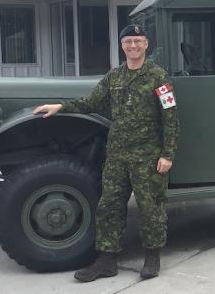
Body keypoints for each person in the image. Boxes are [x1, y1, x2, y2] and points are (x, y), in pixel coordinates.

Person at [33, 24, 179, 282]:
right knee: (108, 207)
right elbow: (91, 102)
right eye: (128, 42)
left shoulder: (158, 77)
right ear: (122, 46)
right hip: (118, 157)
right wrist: (61, 106)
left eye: (137, 41)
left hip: (147, 157)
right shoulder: (114, 77)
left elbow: (171, 118)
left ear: (146, 44)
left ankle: (152, 258)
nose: (132, 46)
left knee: (151, 208)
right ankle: (107, 261)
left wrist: (167, 155)